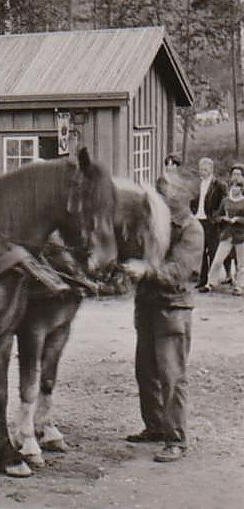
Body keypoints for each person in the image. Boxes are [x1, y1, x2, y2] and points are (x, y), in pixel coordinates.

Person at [122, 171, 203, 463]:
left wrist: (146, 271)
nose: (161, 192)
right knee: (146, 371)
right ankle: (155, 426)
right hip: (148, 307)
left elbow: (179, 272)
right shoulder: (157, 223)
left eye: (167, 189)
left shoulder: (192, 230)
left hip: (172, 310)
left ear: (186, 196)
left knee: (171, 377)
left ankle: (176, 439)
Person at [190, 157, 225, 289]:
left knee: (213, 250)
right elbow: (193, 200)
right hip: (198, 220)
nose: (202, 172)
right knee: (201, 252)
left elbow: (223, 202)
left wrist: (215, 217)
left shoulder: (218, 185)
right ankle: (202, 279)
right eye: (201, 169)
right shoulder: (198, 184)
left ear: (211, 169)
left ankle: (211, 281)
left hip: (211, 222)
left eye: (205, 169)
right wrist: (193, 212)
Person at [204, 180, 244, 295]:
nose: (234, 189)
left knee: (241, 263)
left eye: (237, 187)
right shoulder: (225, 201)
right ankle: (210, 283)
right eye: (233, 186)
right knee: (217, 260)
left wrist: (238, 220)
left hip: (241, 235)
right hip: (227, 235)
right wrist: (223, 219)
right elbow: (217, 216)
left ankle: (240, 286)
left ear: (241, 189)